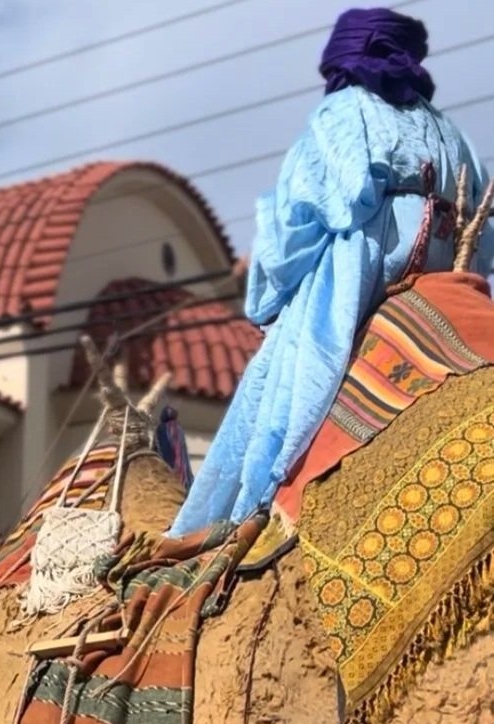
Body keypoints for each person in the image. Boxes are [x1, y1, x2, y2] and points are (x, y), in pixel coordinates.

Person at [169, 7, 494, 537]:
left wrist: (268, 282)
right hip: (447, 276)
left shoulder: (345, 112)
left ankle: (242, 516)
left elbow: (313, 210)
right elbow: (483, 234)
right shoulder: (451, 131)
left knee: (282, 395)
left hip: (360, 276)